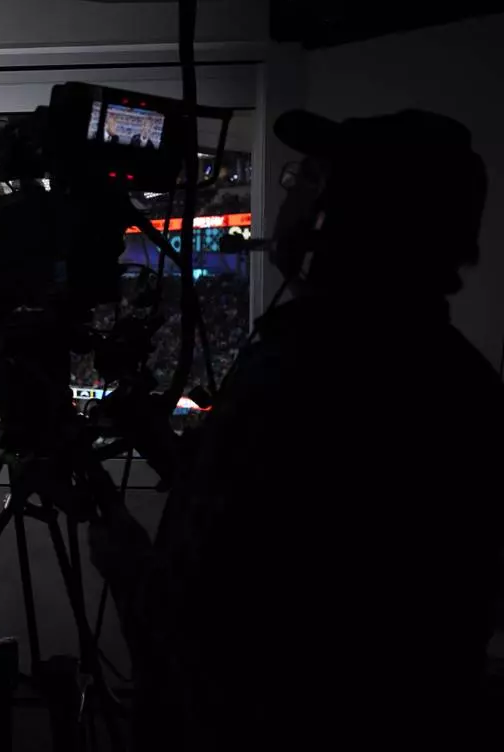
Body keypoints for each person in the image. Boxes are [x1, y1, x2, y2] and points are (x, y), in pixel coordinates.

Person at [92, 109, 503, 751]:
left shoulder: (300, 370)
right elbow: (288, 523)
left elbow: (199, 624)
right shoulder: (462, 378)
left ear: (336, 216)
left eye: (305, 178)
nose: (289, 195)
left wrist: (119, 550)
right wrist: (162, 446)